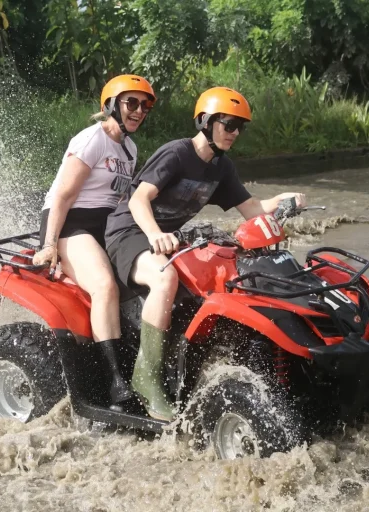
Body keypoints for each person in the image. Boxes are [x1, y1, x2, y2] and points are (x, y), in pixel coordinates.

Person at [104, 86, 306, 421]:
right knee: (165, 277)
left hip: (168, 238)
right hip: (130, 231)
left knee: (221, 276)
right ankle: (147, 379)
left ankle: (187, 367)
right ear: (206, 122)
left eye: (241, 127)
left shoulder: (221, 168)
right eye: (229, 124)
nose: (235, 133)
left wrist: (284, 201)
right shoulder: (177, 154)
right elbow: (138, 200)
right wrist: (155, 235)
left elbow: (253, 209)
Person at [32, 74, 157, 407]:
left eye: (145, 106)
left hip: (105, 226)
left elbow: (119, 200)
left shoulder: (130, 148)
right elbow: (62, 196)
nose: (139, 111)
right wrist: (49, 244)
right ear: (112, 105)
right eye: (132, 103)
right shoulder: (92, 140)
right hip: (70, 223)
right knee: (105, 286)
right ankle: (116, 383)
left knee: (146, 276)